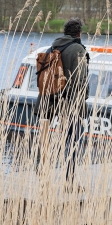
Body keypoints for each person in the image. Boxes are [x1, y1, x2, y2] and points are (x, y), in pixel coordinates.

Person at [41, 18, 89, 183]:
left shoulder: (52, 47)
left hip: (51, 101)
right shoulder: (77, 49)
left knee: (51, 141)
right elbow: (80, 79)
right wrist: (82, 100)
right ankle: (70, 180)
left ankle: (45, 177)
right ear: (79, 33)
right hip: (70, 103)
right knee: (74, 140)